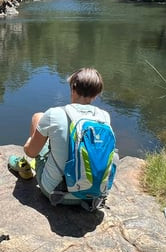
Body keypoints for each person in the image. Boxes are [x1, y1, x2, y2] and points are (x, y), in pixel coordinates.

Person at [10, 67, 112, 206]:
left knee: (38, 117)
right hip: (91, 195)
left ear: (73, 88)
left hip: (55, 192)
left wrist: (29, 143)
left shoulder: (54, 114)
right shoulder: (104, 117)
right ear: (96, 94)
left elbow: (31, 152)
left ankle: (26, 166)